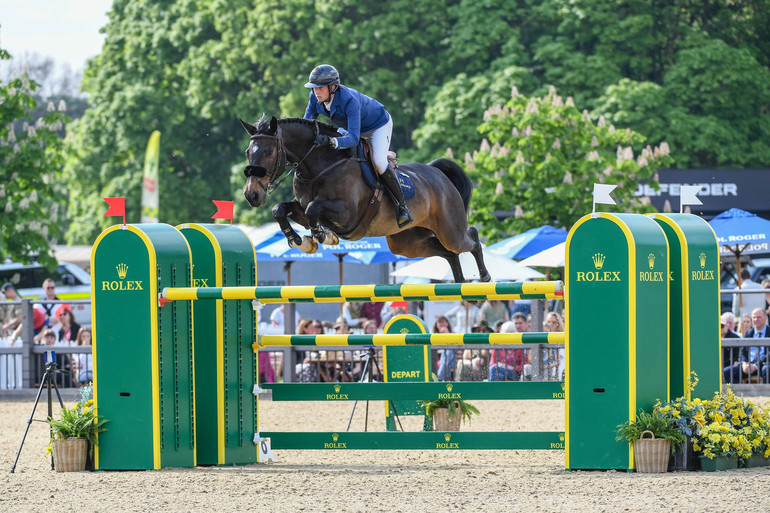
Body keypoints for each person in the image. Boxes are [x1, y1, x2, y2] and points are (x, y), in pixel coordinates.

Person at [302, 64, 413, 227]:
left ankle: (402, 206)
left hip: (377, 126)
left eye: (320, 88)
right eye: (313, 88)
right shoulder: (315, 98)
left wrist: (332, 141)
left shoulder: (349, 100)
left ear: (333, 87)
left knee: (379, 162)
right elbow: (306, 124)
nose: (316, 92)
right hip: (351, 127)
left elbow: (353, 139)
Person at [723, 308, 769, 383]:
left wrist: (756, 365)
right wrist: (744, 363)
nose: (756, 319)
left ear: (765, 318)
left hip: (764, 364)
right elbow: (743, 351)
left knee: (767, 370)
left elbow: (768, 354)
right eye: (754, 317)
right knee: (726, 372)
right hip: (748, 365)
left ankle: (766, 394)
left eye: (758, 317)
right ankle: (735, 394)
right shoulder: (748, 333)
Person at [434, 316, 456, 381]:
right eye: (440, 322)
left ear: (447, 323)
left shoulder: (453, 333)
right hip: (437, 360)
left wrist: (447, 334)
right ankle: (442, 377)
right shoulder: (434, 335)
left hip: (451, 361)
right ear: (436, 325)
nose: (442, 324)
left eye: (443, 322)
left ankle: (440, 378)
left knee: (448, 350)